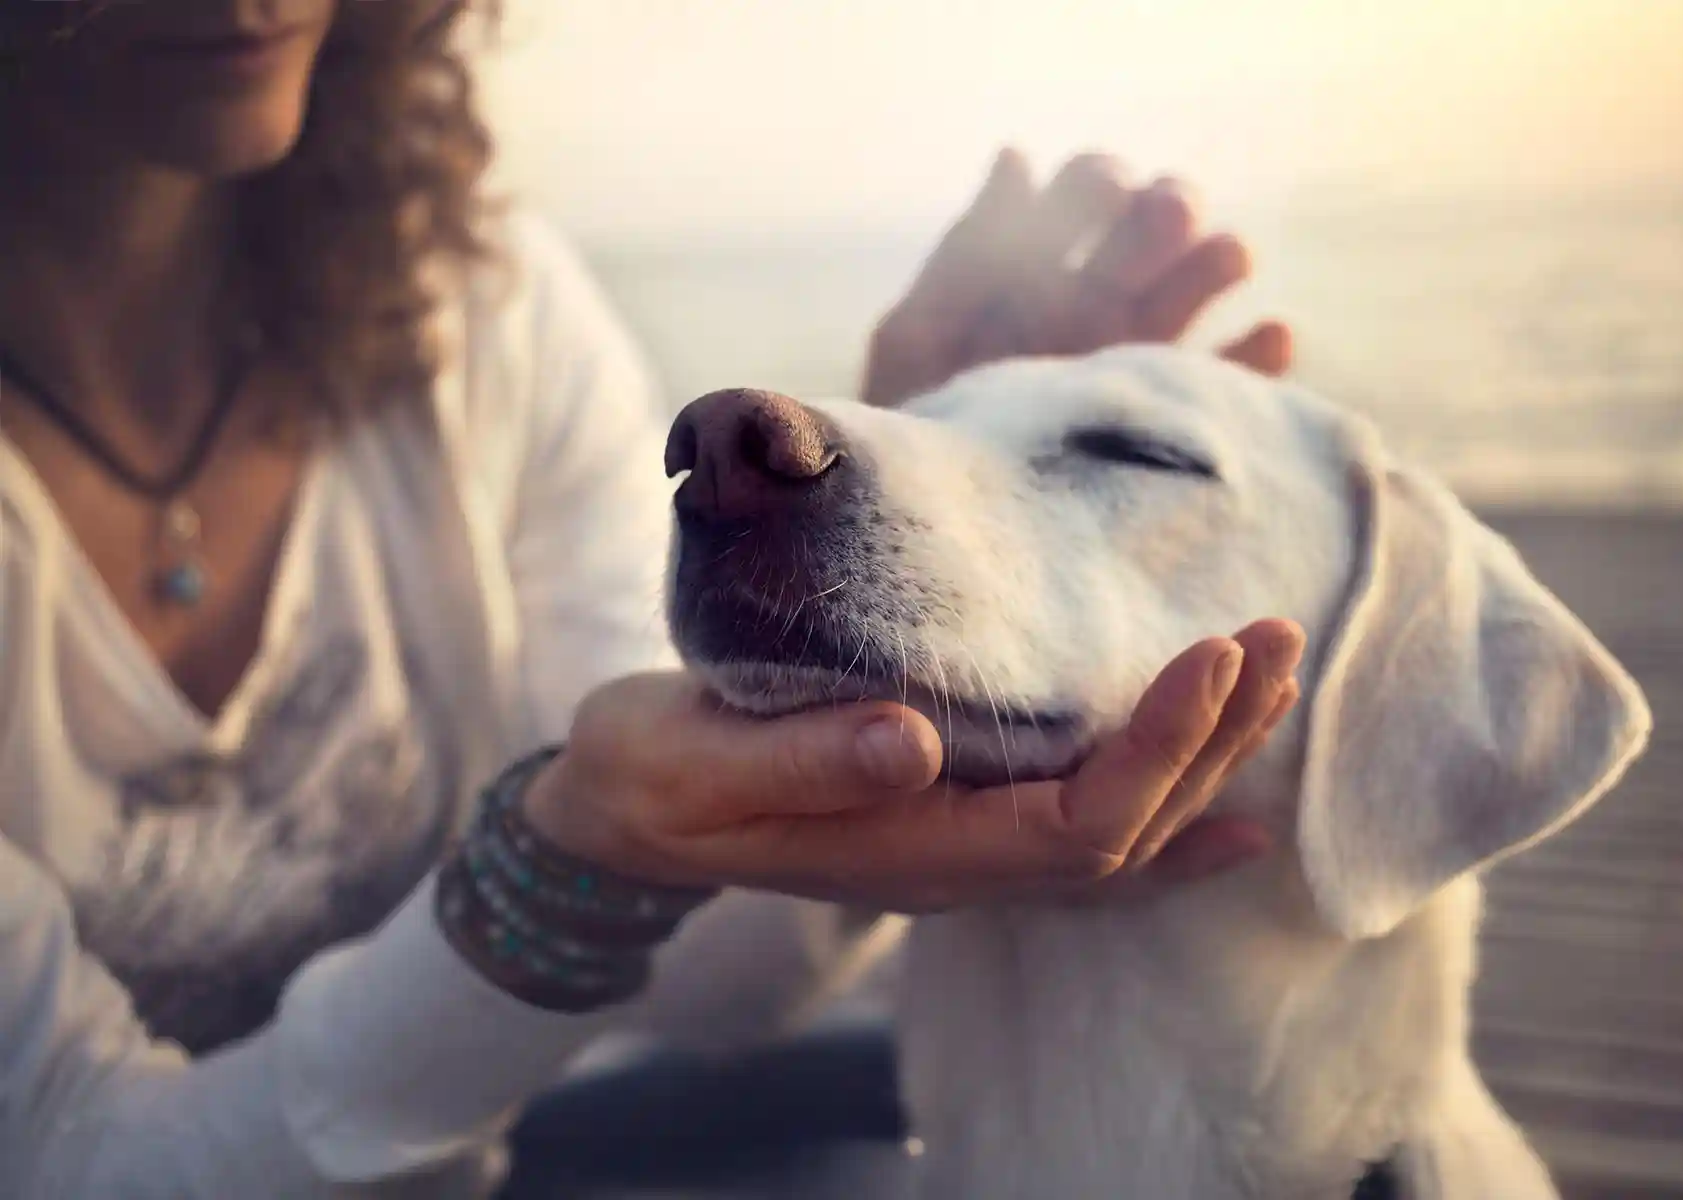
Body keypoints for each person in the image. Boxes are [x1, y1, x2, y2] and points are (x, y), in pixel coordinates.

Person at [0, 2, 1305, 1197]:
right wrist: (571, 855)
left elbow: (708, 984)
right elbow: (73, 1159)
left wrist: (902, 564)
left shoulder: (467, 308)